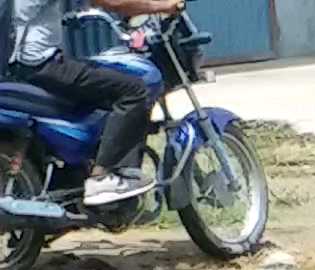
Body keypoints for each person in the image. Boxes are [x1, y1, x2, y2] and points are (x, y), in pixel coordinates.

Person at [8, 0, 185, 205]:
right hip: (41, 64)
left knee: (99, 85)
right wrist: (163, 6)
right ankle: (101, 177)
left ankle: (79, 169)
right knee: (135, 90)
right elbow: (113, 2)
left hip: (17, 66)